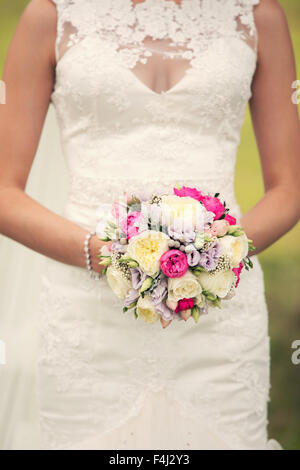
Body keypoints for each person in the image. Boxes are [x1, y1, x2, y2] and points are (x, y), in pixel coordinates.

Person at [1, 0, 299, 450]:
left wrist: (211, 259)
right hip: (88, 312)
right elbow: (4, 189)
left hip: (219, 312)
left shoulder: (257, 16)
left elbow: (290, 187)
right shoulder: (51, 15)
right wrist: (108, 256)